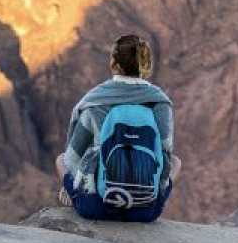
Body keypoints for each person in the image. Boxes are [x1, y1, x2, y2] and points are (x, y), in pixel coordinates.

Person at [55, 34, 180, 222]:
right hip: (145, 210)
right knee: (177, 162)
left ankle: (73, 196)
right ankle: (148, 198)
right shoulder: (160, 103)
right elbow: (165, 156)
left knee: (61, 160)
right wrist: (156, 195)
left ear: (114, 63)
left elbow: (72, 160)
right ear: (146, 64)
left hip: (97, 207)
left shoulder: (95, 102)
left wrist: (72, 185)